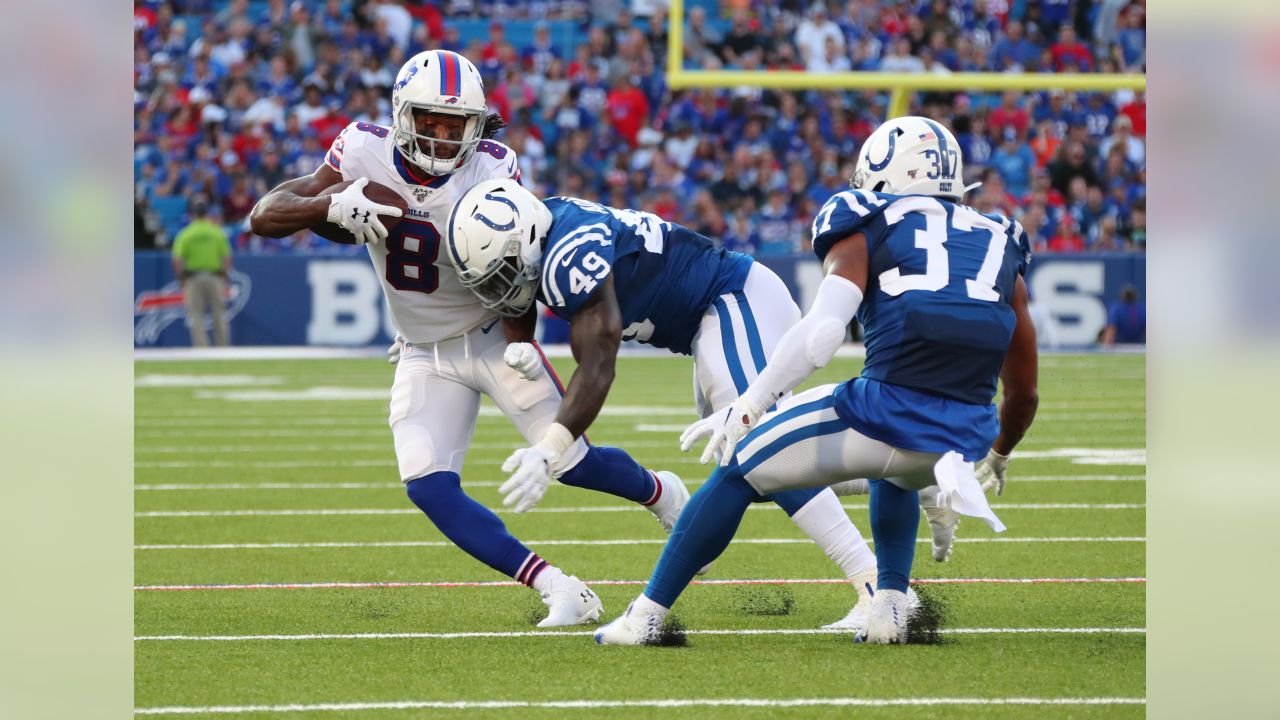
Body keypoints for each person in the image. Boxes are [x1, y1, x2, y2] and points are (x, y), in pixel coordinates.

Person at [248, 50, 691, 628]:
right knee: (428, 486)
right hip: (422, 352)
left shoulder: (492, 169)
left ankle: (660, 492)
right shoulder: (362, 149)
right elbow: (264, 214)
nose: (438, 136)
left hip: (490, 335)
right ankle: (560, 588)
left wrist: (522, 342)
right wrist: (326, 204)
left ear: (476, 127)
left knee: (570, 461)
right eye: (427, 120)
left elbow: (516, 265)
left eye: (452, 124)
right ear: (403, 115)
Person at [443, 176, 971, 633]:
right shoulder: (538, 233)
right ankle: (908, 473)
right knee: (754, 469)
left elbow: (598, 365)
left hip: (731, 299)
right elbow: (516, 297)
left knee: (757, 450)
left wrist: (550, 446)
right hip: (709, 321)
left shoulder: (568, 252)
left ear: (531, 241)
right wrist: (519, 343)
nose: (495, 288)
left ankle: (875, 584)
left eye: (500, 271)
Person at [592, 116, 1040, 645]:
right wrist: (1000, 453)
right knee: (894, 473)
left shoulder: (866, 222)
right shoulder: (1000, 242)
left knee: (738, 465)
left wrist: (752, 403)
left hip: (885, 414)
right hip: (962, 440)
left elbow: (823, 334)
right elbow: (1024, 391)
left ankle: (643, 619)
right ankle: (890, 609)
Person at [171, 195, 232, 346]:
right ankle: (223, 348)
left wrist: (181, 278)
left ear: (192, 214)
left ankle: (201, 349)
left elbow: (177, 259)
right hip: (214, 276)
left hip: (193, 277)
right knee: (219, 313)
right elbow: (226, 256)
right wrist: (224, 275)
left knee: (196, 315)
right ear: (207, 214)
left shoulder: (186, 233)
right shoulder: (216, 231)